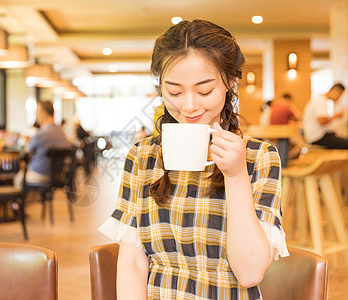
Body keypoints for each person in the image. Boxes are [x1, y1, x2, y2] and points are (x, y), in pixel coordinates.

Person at [98, 19, 289, 299]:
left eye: (204, 91)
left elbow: (250, 273)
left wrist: (235, 176)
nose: (188, 106)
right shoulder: (142, 157)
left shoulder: (259, 157)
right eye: (174, 92)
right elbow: (132, 264)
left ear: (230, 83)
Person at [14, 101, 69, 187]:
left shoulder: (42, 133)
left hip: (41, 173)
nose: (36, 115)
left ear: (44, 113)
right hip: (57, 174)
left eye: (37, 112)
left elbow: (27, 149)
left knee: (18, 179)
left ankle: (27, 200)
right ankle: (37, 199)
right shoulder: (61, 131)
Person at [303, 83, 348, 149]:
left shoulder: (319, 99)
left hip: (316, 136)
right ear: (335, 90)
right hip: (318, 138)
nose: (339, 98)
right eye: (340, 95)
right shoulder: (321, 100)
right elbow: (322, 121)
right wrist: (337, 115)